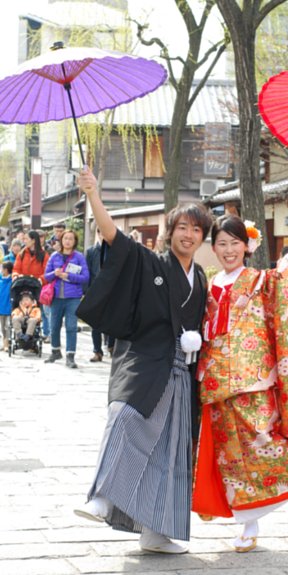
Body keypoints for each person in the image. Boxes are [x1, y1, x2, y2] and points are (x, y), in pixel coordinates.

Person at [192, 199, 288, 552]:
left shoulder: (261, 279)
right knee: (231, 455)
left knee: (262, 441)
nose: (228, 250)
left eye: (235, 243)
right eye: (221, 244)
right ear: (213, 248)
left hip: (252, 377)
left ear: (247, 245)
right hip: (215, 379)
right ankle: (248, 526)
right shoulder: (211, 284)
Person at [73, 166, 212, 554]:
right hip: (148, 362)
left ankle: (156, 530)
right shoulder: (150, 262)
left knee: (171, 451)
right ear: (170, 232)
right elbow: (113, 237)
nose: (188, 234)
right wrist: (93, 195)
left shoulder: (200, 277)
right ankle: (101, 497)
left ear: (203, 237)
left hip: (182, 375)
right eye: (182, 227)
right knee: (125, 417)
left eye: (196, 229)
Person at [43, 230, 89, 369]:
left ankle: (70, 356)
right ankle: (55, 351)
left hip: (72, 297)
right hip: (56, 297)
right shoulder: (54, 256)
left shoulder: (79, 257)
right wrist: (54, 273)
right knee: (54, 326)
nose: (68, 241)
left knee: (71, 327)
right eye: (65, 238)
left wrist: (68, 276)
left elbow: (85, 277)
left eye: (71, 239)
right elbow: (46, 276)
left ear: (75, 241)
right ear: (61, 240)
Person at [13, 230, 50, 343]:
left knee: (37, 312)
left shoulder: (44, 255)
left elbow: (47, 272)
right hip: (23, 287)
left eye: (26, 239)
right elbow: (16, 269)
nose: (24, 241)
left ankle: (35, 337)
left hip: (37, 288)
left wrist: (41, 279)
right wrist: (15, 276)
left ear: (33, 240)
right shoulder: (22, 254)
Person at [85, 230, 109, 363]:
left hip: (111, 291)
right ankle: (97, 351)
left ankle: (111, 346)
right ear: (98, 234)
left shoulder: (115, 249)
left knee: (111, 320)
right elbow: (87, 271)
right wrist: (86, 292)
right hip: (95, 291)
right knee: (95, 323)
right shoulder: (91, 251)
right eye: (103, 233)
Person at [0, 261, 13, 350]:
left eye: (1, 268)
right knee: (2, 326)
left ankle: (7, 343)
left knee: (7, 326)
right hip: (1, 306)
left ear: (5, 270)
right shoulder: (1, 281)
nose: (0, 270)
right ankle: (4, 342)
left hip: (8, 307)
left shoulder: (11, 282)